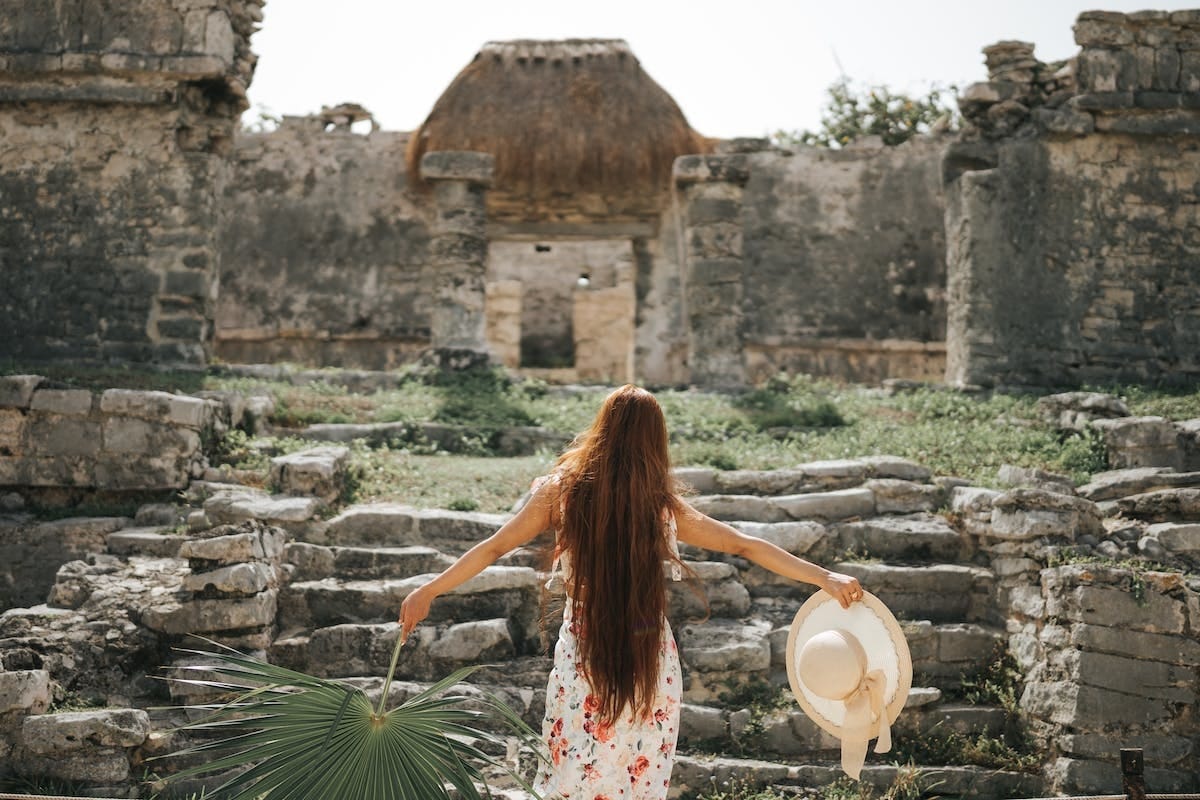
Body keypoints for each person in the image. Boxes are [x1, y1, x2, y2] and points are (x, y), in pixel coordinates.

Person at [398, 384, 865, 800]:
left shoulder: (560, 493)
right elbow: (744, 544)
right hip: (647, 650)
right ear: (653, 441)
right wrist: (825, 576)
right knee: (636, 772)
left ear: (603, 430)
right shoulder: (660, 505)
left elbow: (495, 546)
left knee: (574, 767)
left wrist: (431, 590)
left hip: (586, 643)